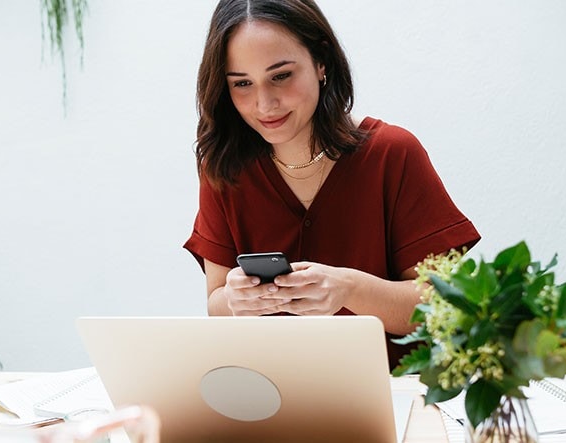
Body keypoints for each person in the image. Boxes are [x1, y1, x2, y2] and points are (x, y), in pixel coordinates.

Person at [184, 0, 480, 370]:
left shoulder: (393, 154)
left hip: (392, 397)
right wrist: (237, 301)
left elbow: (443, 305)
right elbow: (216, 301)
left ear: (321, 62)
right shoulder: (224, 169)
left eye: (280, 75)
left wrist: (350, 290)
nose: (264, 103)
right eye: (242, 83)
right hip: (272, 398)